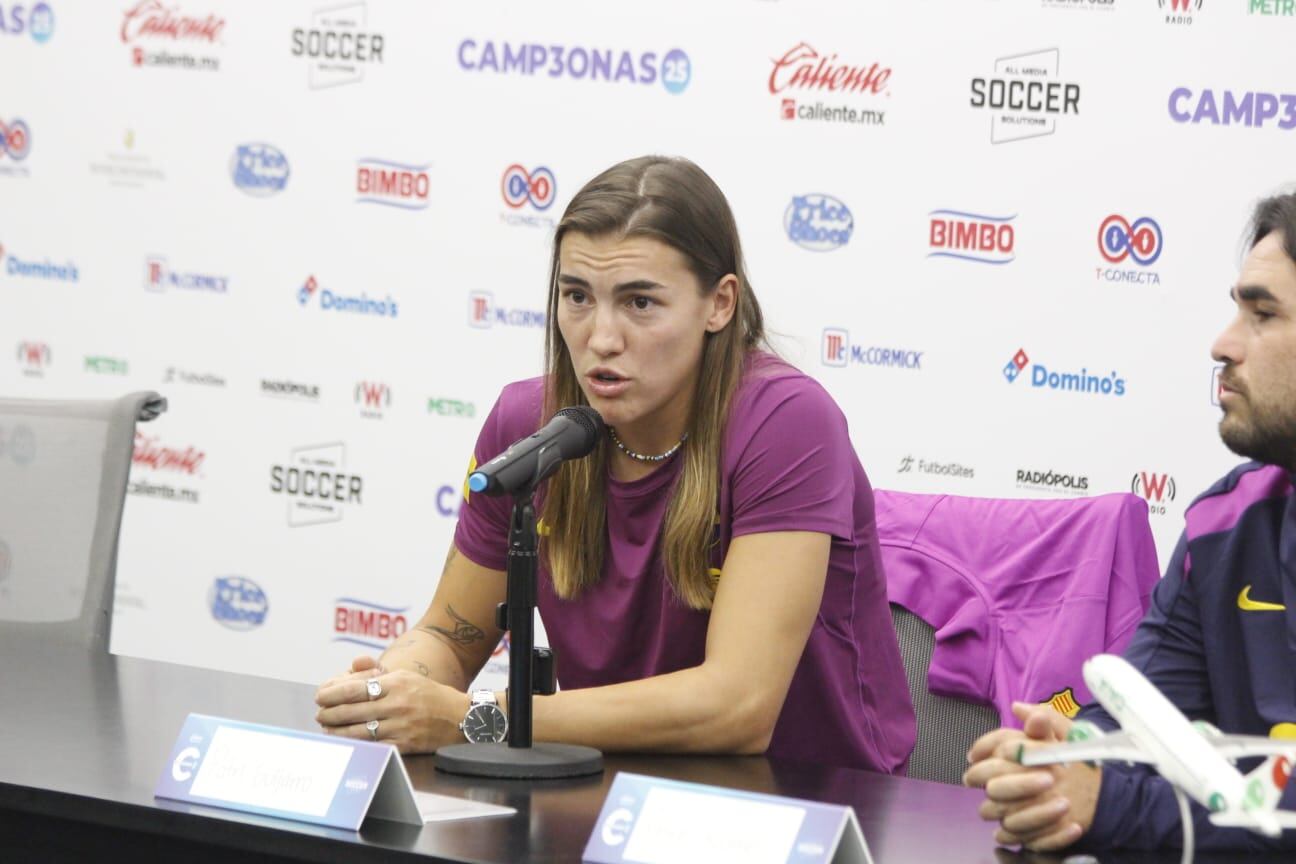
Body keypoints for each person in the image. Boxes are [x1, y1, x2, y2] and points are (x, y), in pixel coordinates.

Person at [314, 155, 915, 773]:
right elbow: (447, 636)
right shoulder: (530, 427)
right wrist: (389, 692)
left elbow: (738, 705)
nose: (601, 337)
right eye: (577, 296)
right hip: (609, 788)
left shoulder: (788, 421)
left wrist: (477, 718)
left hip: (806, 807)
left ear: (720, 304)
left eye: (640, 303)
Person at [965, 190, 1296, 852]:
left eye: (1262, 314)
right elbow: (1139, 713)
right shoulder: (1224, 523)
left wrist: (1107, 804)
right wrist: (1062, 759)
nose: (1222, 343)